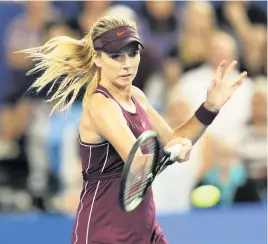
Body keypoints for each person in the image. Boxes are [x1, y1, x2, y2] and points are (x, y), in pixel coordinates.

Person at [20, 16, 247, 244]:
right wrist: (173, 152)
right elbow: (137, 161)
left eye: (132, 54)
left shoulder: (137, 96)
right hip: (104, 231)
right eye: (116, 56)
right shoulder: (101, 104)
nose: (127, 64)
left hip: (143, 226)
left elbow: (175, 138)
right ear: (97, 58)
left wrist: (209, 108)